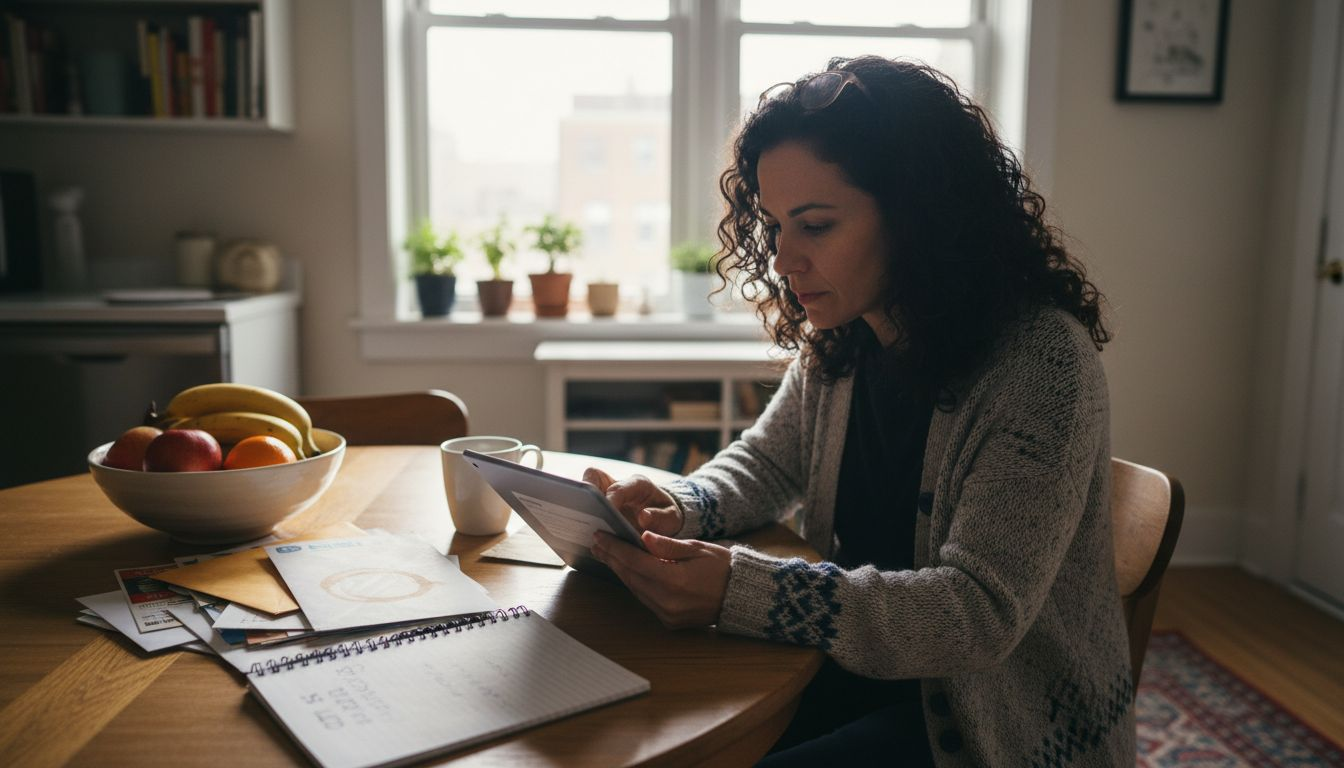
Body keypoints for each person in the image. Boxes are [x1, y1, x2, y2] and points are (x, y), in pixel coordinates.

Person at [586, 55, 1134, 766]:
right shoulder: (847, 336)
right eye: (777, 225)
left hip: (988, 726)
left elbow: (976, 615)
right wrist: (676, 501)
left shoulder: (1039, 364)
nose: (782, 259)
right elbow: (763, 462)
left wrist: (739, 589)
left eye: (814, 225)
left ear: (919, 216)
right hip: (850, 669)